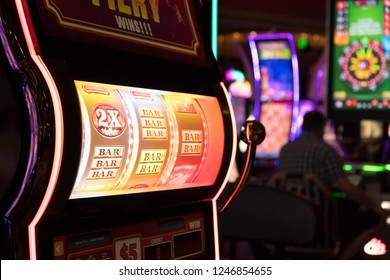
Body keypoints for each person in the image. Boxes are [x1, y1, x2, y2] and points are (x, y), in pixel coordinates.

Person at [279, 110, 386, 257]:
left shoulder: (285, 150)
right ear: (321, 128)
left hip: (289, 219)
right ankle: (341, 258)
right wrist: (375, 206)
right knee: (370, 217)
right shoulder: (325, 151)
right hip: (321, 219)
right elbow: (346, 187)